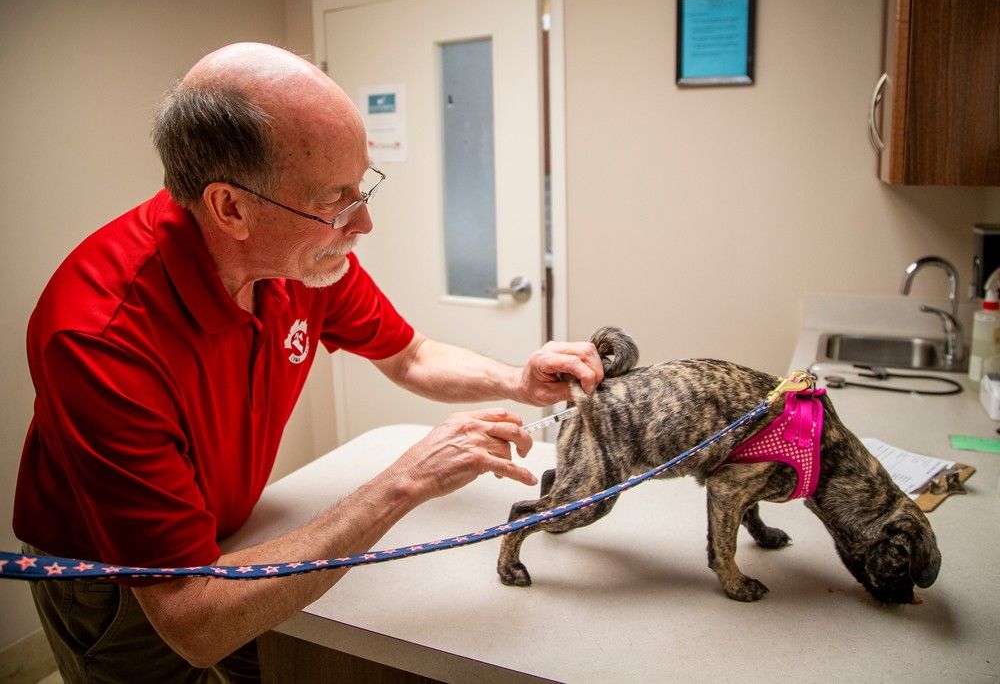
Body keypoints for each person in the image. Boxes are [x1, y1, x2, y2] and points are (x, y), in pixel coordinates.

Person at [12, 42, 603, 683]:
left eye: (364, 184)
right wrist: (403, 482)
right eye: (336, 199)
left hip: (226, 537)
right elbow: (190, 614)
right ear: (230, 208)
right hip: (116, 578)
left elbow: (411, 355)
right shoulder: (98, 337)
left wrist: (517, 380)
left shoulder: (301, 261)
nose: (365, 221)